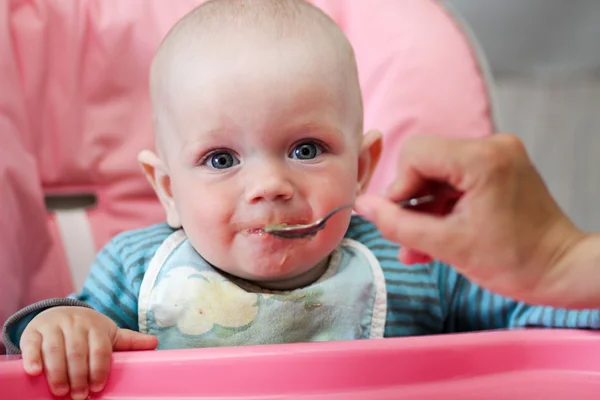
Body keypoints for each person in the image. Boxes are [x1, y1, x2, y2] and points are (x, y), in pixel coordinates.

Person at [1, 1, 598, 399]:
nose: (270, 185)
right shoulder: (136, 270)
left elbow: (545, 321)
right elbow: (63, 327)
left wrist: (560, 270)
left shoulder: (418, 265)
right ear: (168, 191)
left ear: (361, 166)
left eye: (307, 149)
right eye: (221, 160)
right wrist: (62, 327)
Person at [355, 133, 600, 310]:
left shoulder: (429, 267)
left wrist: (554, 261)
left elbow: (541, 323)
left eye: (314, 149)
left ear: (359, 170)